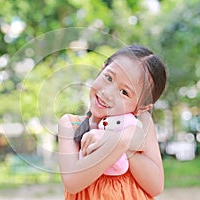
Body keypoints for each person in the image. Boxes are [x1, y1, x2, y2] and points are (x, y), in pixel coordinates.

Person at [58, 44, 167, 199]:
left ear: (141, 107)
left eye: (124, 92)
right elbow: (72, 182)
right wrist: (119, 142)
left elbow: (156, 187)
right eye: (108, 78)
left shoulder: (142, 124)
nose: (108, 93)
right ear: (102, 69)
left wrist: (125, 143)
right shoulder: (71, 124)